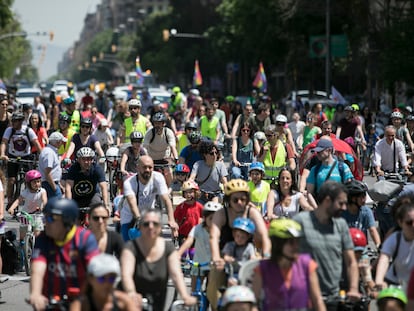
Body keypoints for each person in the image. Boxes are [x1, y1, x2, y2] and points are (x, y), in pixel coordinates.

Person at [293, 181, 360, 310]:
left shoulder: (341, 225)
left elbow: (351, 262)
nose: (344, 208)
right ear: (327, 201)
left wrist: (353, 289)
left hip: (332, 299)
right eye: (341, 203)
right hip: (304, 298)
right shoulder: (301, 221)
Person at [208, 179, 271, 310]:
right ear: (228, 200)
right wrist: (216, 259)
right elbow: (214, 237)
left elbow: (265, 236)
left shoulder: (252, 212)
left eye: (243, 199)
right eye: (235, 200)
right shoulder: (221, 213)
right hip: (224, 258)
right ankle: (216, 307)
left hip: (247, 258)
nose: (239, 203)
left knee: (264, 283)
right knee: (214, 281)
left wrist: (266, 256)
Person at [29, 198, 100, 310]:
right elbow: (37, 270)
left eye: (51, 218)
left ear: (67, 221)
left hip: (80, 301)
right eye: (45, 217)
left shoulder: (85, 238)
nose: (45, 222)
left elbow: (95, 271)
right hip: (50, 302)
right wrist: (35, 294)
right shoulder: (42, 239)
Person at [120, 209, 197, 310]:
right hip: (134, 304)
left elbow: (176, 274)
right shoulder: (130, 247)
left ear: (160, 227)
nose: (151, 227)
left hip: (158, 304)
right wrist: (131, 293)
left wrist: (185, 296)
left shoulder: (168, 248)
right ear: (140, 227)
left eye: (155, 224)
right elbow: (126, 274)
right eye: (146, 224)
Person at [251, 218, 326, 311]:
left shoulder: (307, 265)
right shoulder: (262, 269)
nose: (296, 246)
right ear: (277, 244)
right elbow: (253, 303)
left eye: (297, 241)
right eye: (291, 242)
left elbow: (317, 300)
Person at [120, 155, 178, 241]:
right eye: (144, 167)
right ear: (137, 168)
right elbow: (132, 204)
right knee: (126, 246)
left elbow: (166, 199)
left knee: (156, 243)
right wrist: (139, 220)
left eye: (150, 167)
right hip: (130, 215)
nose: (147, 170)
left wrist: (171, 220)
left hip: (148, 214)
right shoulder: (129, 182)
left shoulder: (158, 177)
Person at [0, 112, 42, 209]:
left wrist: (42, 156)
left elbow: (36, 144)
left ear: (20, 122)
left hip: (26, 157)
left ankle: (30, 200)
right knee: (11, 180)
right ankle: (10, 200)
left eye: (15, 121)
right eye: (12, 121)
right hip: (12, 156)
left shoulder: (28, 130)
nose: (13, 123)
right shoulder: (9, 130)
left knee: (30, 180)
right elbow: (4, 142)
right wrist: (2, 154)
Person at [177, 201, 222, 291]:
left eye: (216, 219)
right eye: (211, 218)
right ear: (204, 218)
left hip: (214, 266)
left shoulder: (221, 230)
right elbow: (189, 241)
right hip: (198, 264)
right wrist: (178, 254)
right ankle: (195, 304)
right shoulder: (198, 228)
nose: (214, 222)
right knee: (195, 292)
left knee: (213, 294)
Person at [375, 203, 414, 290]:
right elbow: (384, 258)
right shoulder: (395, 238)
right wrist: (379, 280)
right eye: (409, 223)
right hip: (395, 282)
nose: (413, 226)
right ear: (400, 223)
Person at [65, 147, 110, 211]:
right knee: (74, 218)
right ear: (78, 160)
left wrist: (106, 205)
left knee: (97, 211)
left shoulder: (97, 169)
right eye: (83, 159)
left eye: (89, 159)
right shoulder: (73, 169)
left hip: (92, 195)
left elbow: (103, 186)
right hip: (76, 197)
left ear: (92, 160)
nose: (86, 162)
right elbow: (68, 187)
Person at [342, 180, 381, 248]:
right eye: (362, 197)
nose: (365, 199)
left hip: (361, 248)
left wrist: (379, 246)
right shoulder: (341, 212)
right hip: (343, 248)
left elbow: (372, 230)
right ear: (352, 199)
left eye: (365, 196)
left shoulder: (366, 211)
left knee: (365, 258)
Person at [8, 169, 47, 239]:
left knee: (37, 232)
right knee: (23, 231)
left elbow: (44, 200)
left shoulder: (42, 191)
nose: (37, 184)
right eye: (34, 182)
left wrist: (44, 207)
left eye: (38, 181)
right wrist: (11, 208)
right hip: (26, 214)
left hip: (38, 214)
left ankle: (37, 246)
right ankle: (22, 243)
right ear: (29, 183)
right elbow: (18, 201)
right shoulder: (26, 192)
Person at [143, 112, 178, 187]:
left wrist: (176, 158)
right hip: (152, 159)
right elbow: (144, 148)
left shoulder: (168, 132)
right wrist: (146, 159)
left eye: (159, 123)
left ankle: (169, 192)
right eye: (155, 123)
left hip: (164, 158)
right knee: (146, 175)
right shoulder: (150, 133)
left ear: (163, 124)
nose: (157, 125)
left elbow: (173, 147)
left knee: (169, 173)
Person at [189, 140, 228, 204]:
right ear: (205, 154)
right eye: (211, 153)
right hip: (201, 195)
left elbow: (225, 182)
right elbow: (192, 178)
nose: (215, 155)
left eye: (216, 153)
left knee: (213, 207)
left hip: (216, 195)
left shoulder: (220, 165)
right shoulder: (198, 164)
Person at [222, 217, 257, 282]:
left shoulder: (249, 246)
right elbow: (225, 256)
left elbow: (253, 257)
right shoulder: (230, 245)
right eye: (238, 236)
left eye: (243, 237)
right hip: (233, 272)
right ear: (234, 235)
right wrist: (229, 258)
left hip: (245, 272)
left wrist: (253, 260)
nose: (239, 239)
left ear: (248, 237)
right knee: (231, 281)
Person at [174, 180, 203, 245]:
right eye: (186, 192)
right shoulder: (181, 206)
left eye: (190, 192)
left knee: (192, 252)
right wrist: (175, 230)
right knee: (183, 251)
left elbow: (204, 218)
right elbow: (175, 219)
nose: (188, 194)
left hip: (195, 233)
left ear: (196, 193)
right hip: (183, 233)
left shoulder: (199, 206)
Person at [38, 131, 66, 199]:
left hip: (52, 183)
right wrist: (54, 188)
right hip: (49, 185)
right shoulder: (49, 153)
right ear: (58, 142)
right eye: (61, 142)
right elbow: (47, 173)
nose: (62, 144)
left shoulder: (50, 151)